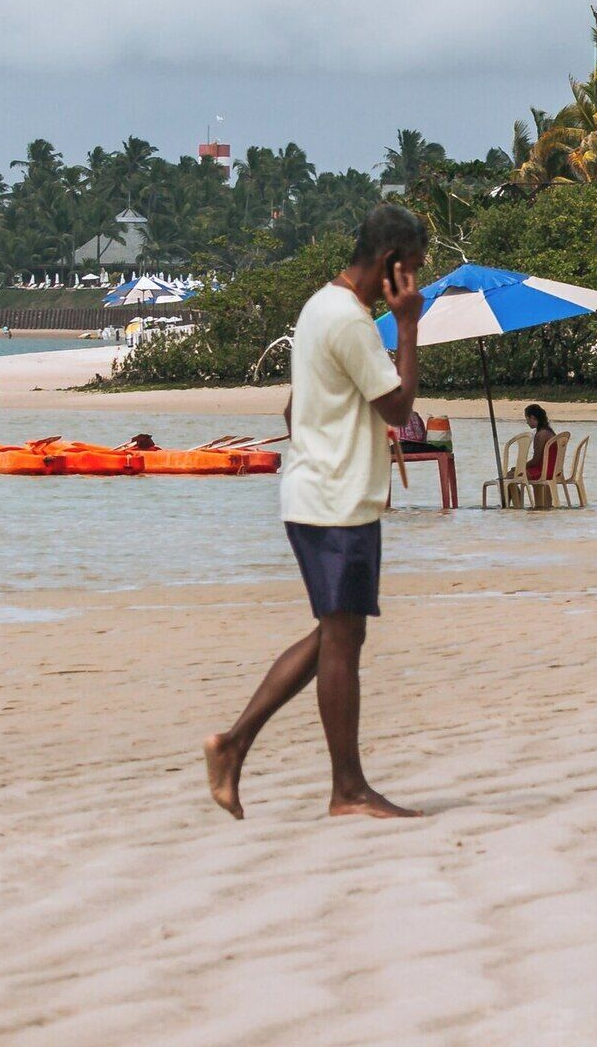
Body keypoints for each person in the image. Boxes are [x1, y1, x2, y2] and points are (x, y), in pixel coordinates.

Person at [206, 204, 430, 821]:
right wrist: (406, 327)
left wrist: (328, 437)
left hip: (324, 492)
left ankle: (234, 745)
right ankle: (347, 789)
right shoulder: (350, 322)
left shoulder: (319, 308)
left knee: (339, 632)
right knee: (341, 636)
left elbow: (293, 411)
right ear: (390, 264)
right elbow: (399, 409)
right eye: (411, 269)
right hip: (334, 501)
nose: (412, 282)